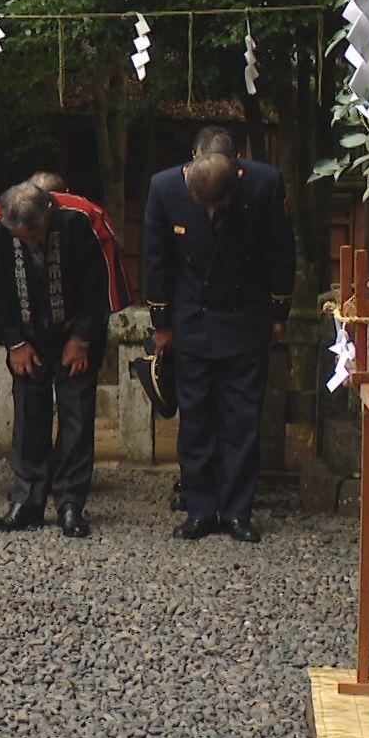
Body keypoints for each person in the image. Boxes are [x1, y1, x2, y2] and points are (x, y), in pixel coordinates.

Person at [143, 149, 295, 542]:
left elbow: (280, 250)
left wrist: (279, 312)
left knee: (241, 420)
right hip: (192, 317)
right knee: (196, 420)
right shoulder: (163, 187)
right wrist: (161, 322)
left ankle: (237, 511)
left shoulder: (264, 184)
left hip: (245, 314)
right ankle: (199, 508)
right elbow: (156, 256)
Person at [0, 183, 110, 538]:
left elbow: (101, 286)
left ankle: (70, 502)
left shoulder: (79, 221)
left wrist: (81, 338)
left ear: (48, 212)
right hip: (27, 335)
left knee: (77, 415)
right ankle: (28, 500)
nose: (30, 242)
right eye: (22, 236)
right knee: (28, 414)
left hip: (75, 330)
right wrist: (14, 343)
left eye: (34, 234)